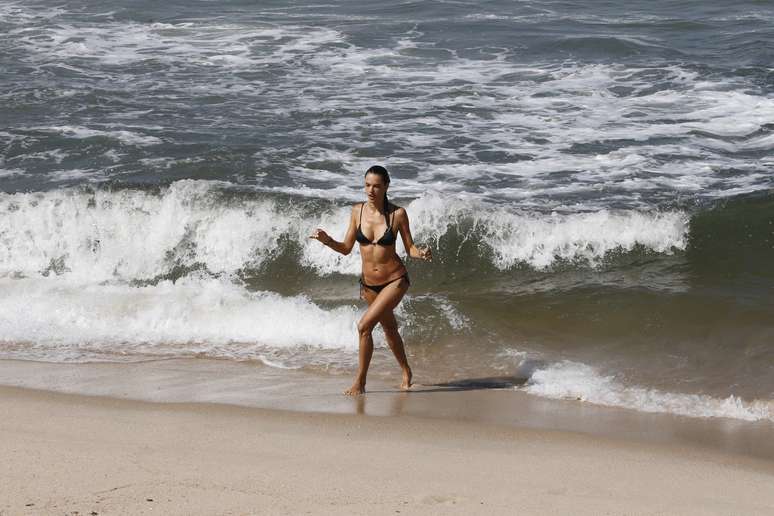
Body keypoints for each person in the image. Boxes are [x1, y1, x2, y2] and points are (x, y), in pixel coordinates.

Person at [310, 165, 432, 395]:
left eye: (376, 186)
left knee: (364, 326)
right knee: (389, 329)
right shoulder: (357, 211)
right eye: (367, 185)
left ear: (386, 186)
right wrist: (326, 240)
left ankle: (360, 383)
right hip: (368, 285)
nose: (371, 190)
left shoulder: (397, 214)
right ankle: (406, 370)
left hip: (395, 280)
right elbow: (346, 248)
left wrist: (422, 253)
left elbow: (410, 248)